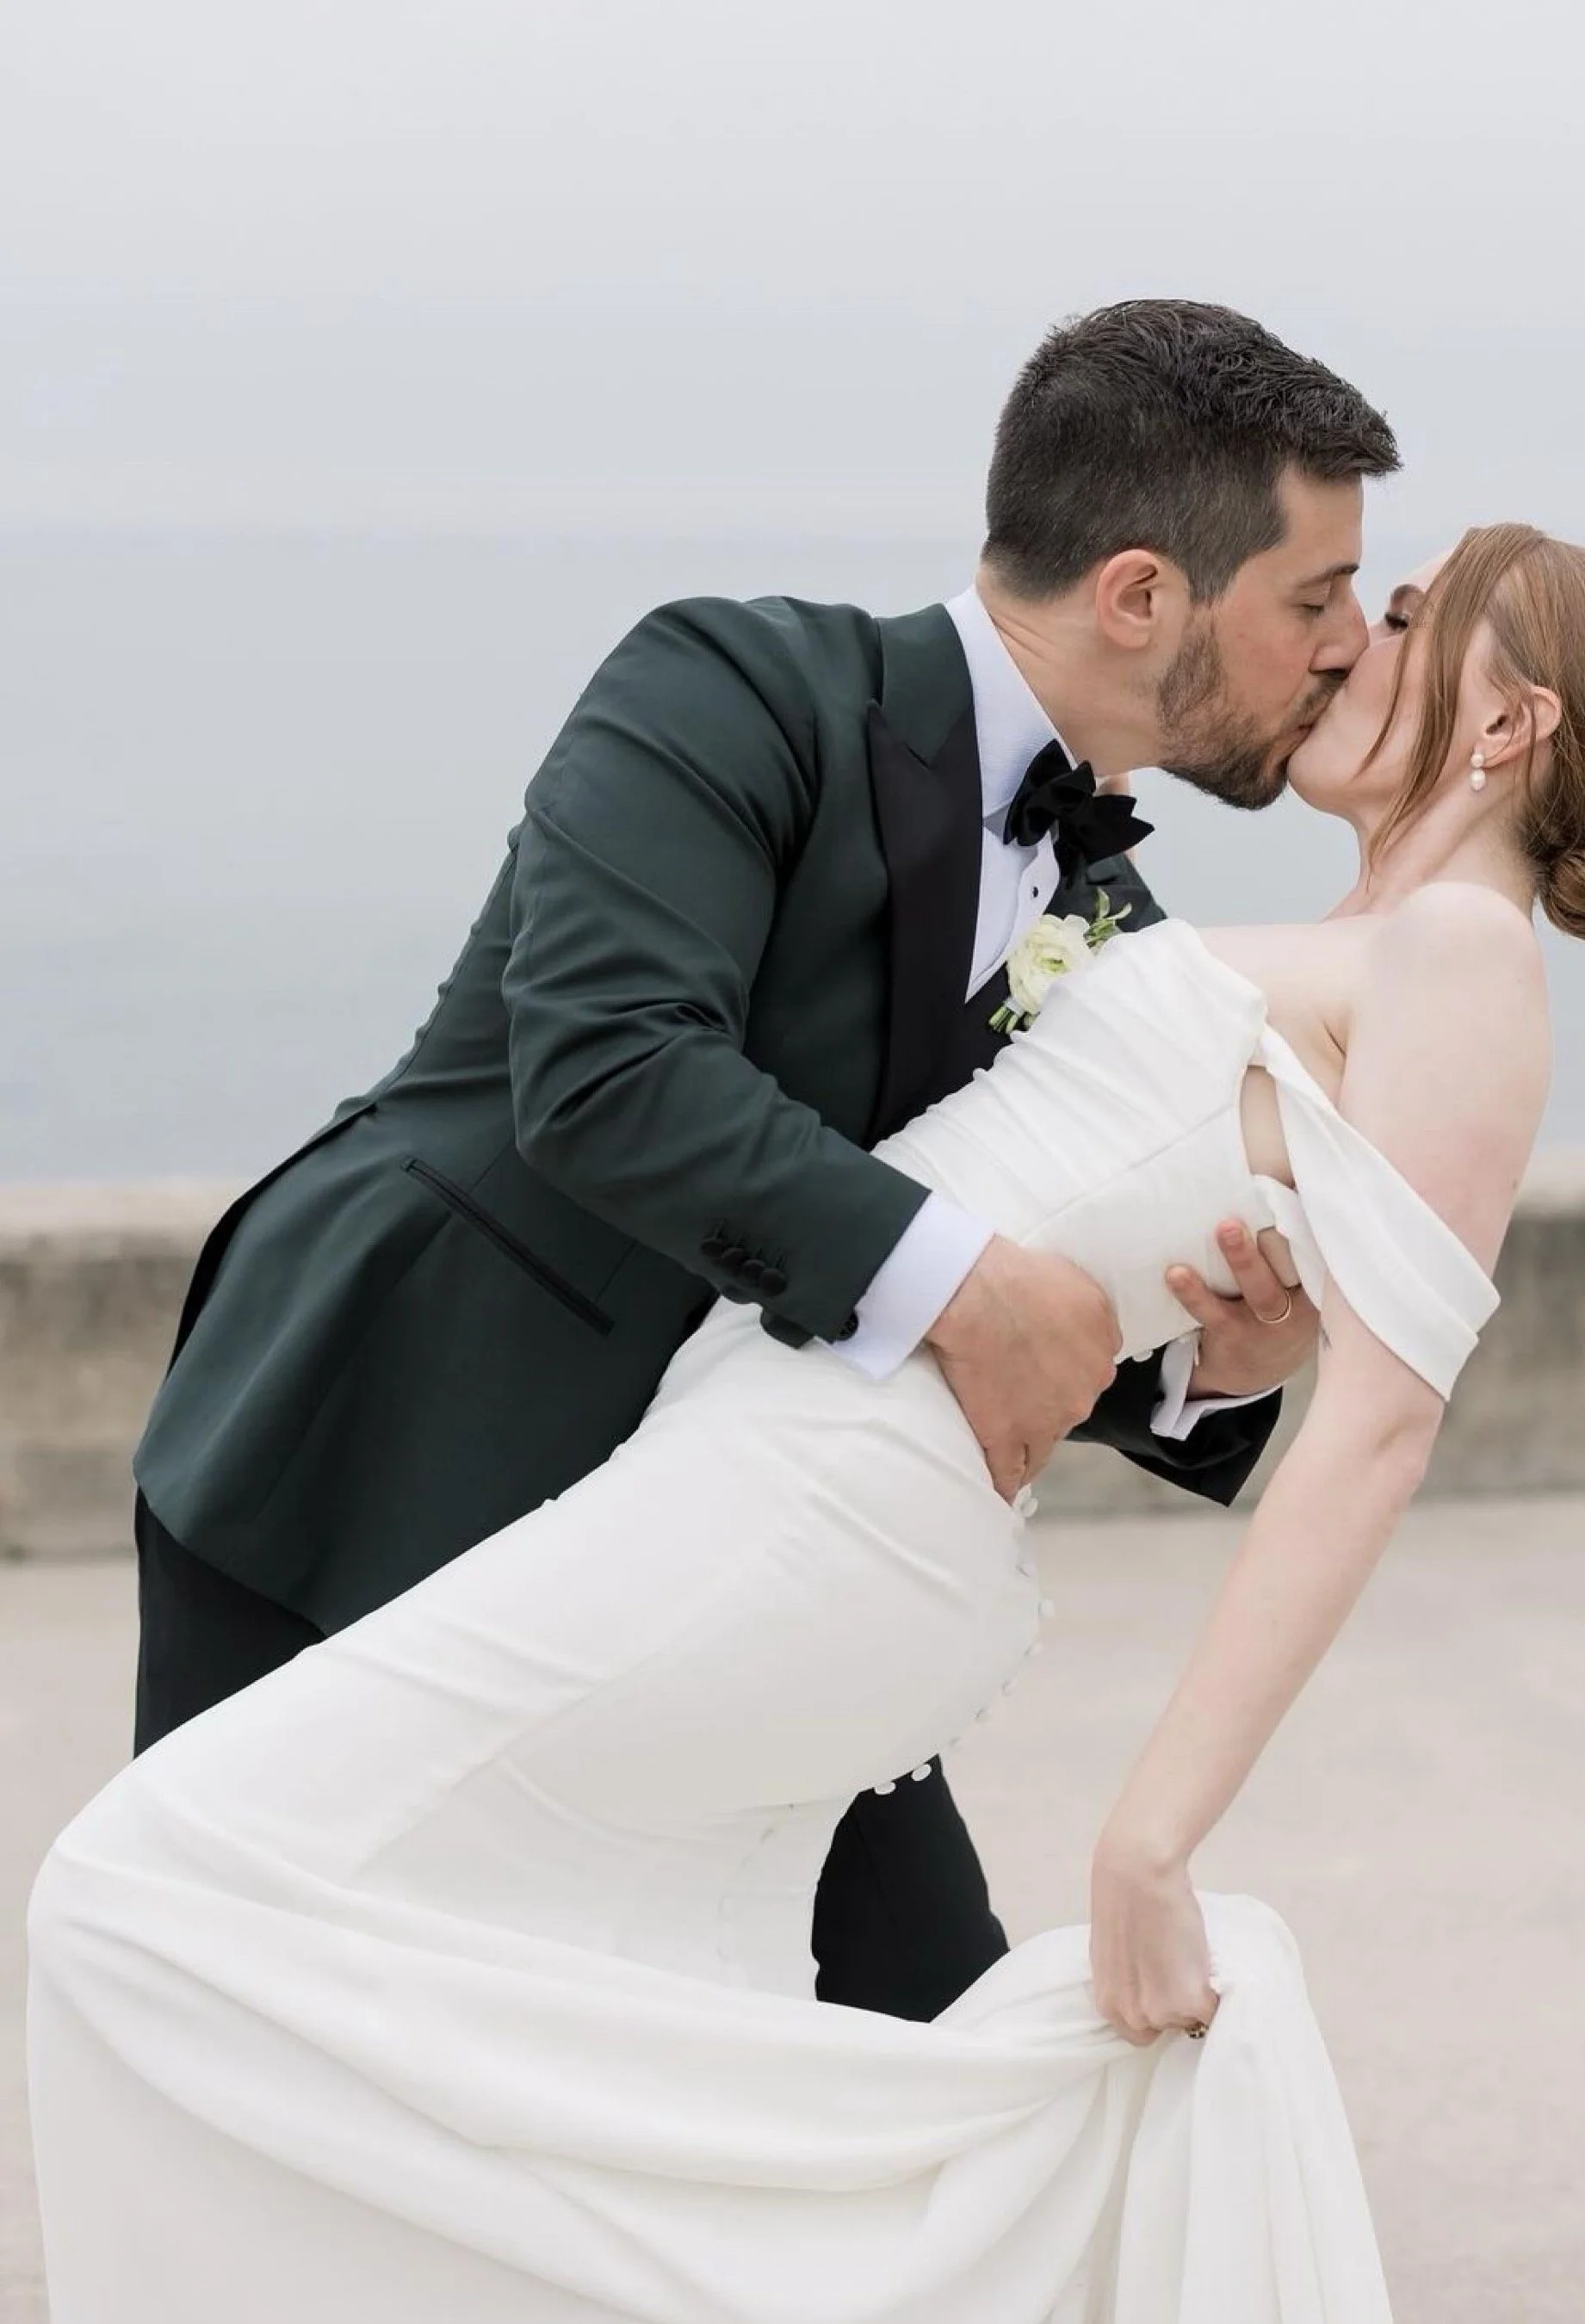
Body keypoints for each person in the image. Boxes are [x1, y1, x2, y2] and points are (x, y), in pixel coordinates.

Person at [28, 517, 1585, 2321]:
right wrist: (1218, 1349)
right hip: (762, 1455)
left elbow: (1380, 1431)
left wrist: (1154, 1833)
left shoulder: (1463, 955)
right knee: (649, 2010)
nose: (1346, 649)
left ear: (1509, 725)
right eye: (1334, 607)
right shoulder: (1331, 933)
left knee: (156, 1890)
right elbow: (1097, 1195)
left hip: (823, 1495)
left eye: (1394, 621)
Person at [124, 298, 1396, 2023]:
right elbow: (608, 1068)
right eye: (1313, 599)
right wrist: (968, 1283)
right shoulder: (726, 684)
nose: (1340, 646)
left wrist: (1202, 1368)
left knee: (927, 2045)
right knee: (270, 2048)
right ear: (1142, 594)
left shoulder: (1109, 914)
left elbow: (1018, 1230)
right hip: (373, 1461)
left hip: (727, 1546)